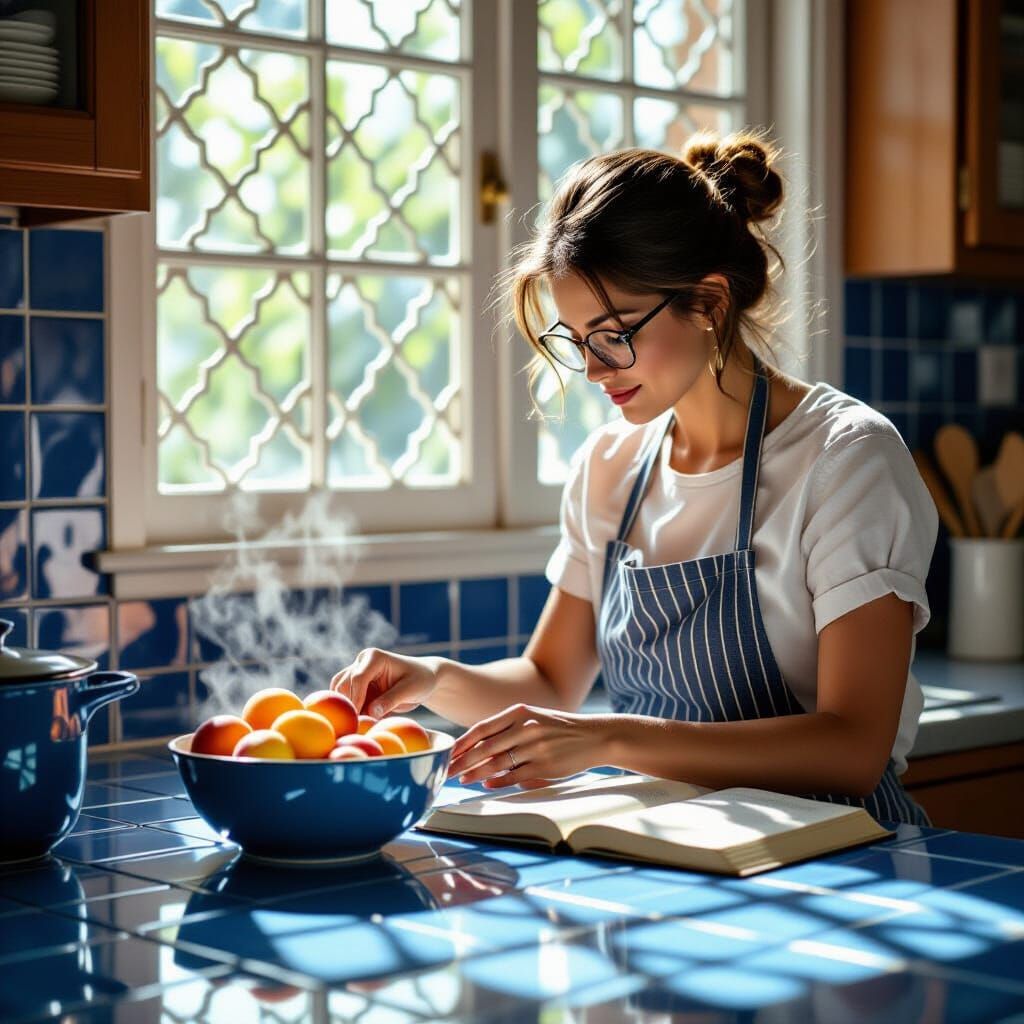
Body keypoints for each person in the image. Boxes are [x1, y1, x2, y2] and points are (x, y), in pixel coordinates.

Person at [331, 128, 938, 826]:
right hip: (674, 848)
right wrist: (432, 678)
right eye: (577, 339)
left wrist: (608, 738)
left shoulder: (845, 459)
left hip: (842, 861)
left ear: (709, 304)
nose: (592, 370)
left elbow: (853, 747)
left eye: (614, 334)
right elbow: (553, 679)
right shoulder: (611, 465)